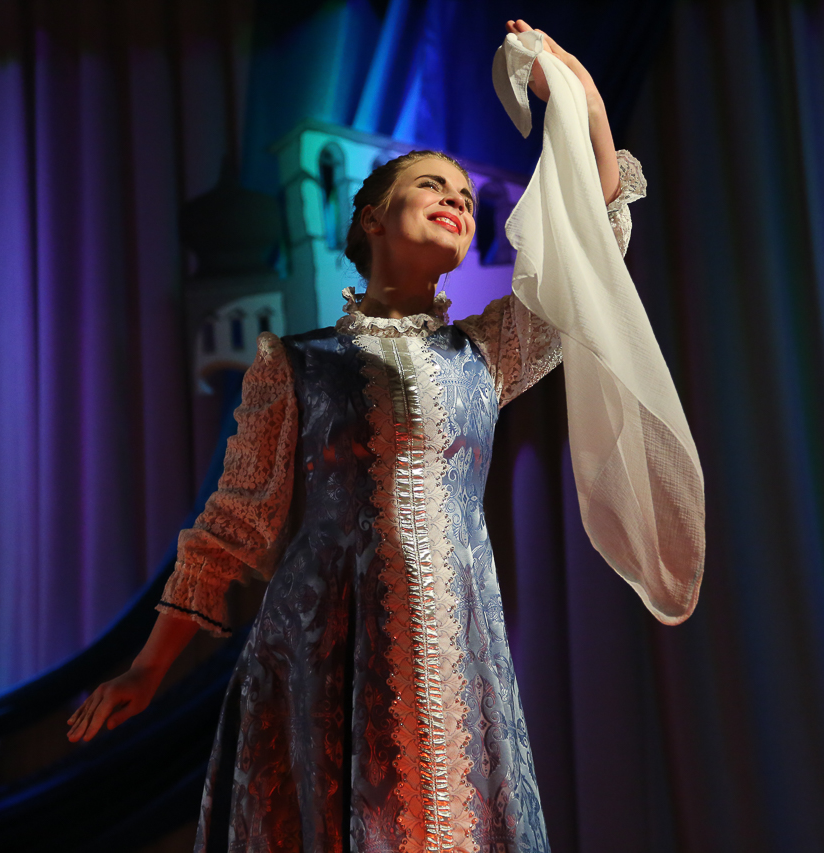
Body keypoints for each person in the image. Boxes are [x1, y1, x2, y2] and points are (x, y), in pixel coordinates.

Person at [67, 19, 701, 852]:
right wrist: (149, 665)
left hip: (451, 646)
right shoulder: (295, 364)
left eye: (466, 197)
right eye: (432, 186)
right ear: (370, 217)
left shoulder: (488, 353)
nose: (457, 201)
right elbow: (230, 529)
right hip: (323, 649)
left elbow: (596, 242)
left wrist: (577, 91)